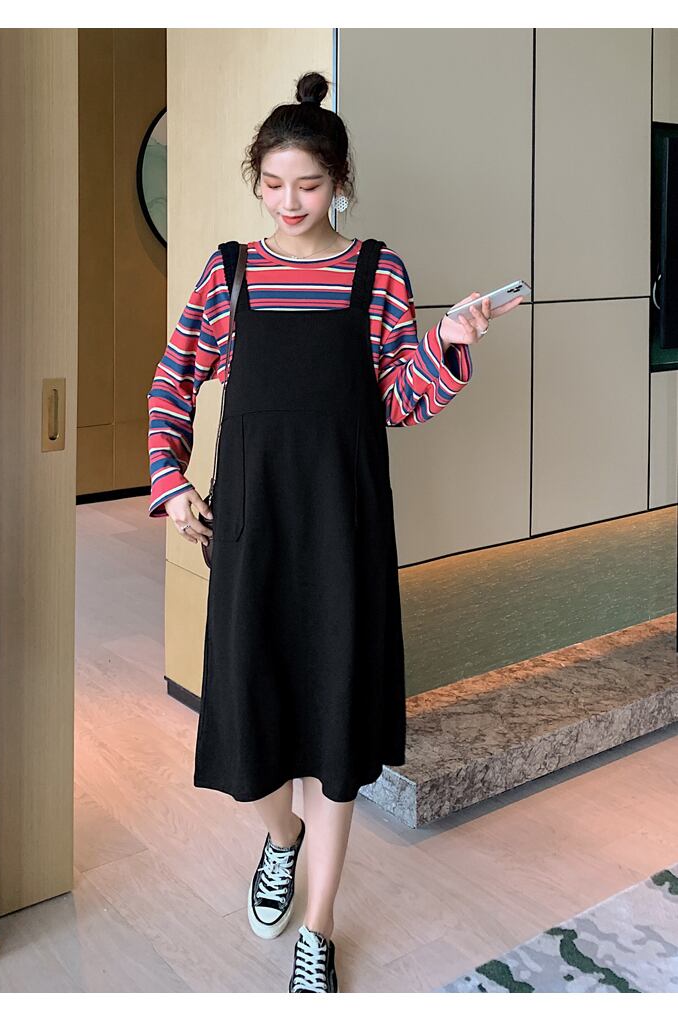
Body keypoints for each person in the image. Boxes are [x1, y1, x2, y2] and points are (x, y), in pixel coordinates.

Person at [146, 70, 523, 993]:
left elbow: (401, 399)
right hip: (252, 528)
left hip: (345, 531)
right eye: (273, 185)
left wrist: (449, 342)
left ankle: (317, 928)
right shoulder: (230, 273)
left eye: (308, 186)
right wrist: (170, 482)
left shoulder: (378, 272)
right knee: (249, 720)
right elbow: (173, 379)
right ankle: (281, 836)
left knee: (337, 730)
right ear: (257, 180)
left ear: (340, 183)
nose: (289, 203)